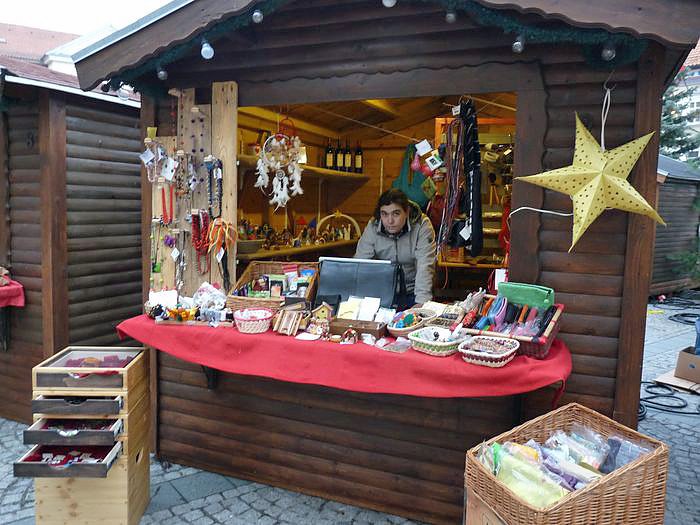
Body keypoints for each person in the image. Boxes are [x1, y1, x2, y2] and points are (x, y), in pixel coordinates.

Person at [354, 189, 436, 308]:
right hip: (382, 292)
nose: (390, 221)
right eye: (384, 214)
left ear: (407, 212)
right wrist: (357, 301)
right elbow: (360, 264)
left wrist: (422, 303)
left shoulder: (422, 225)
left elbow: (425, 265)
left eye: (396, 213)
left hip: (414, 292)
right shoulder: (373, 225)